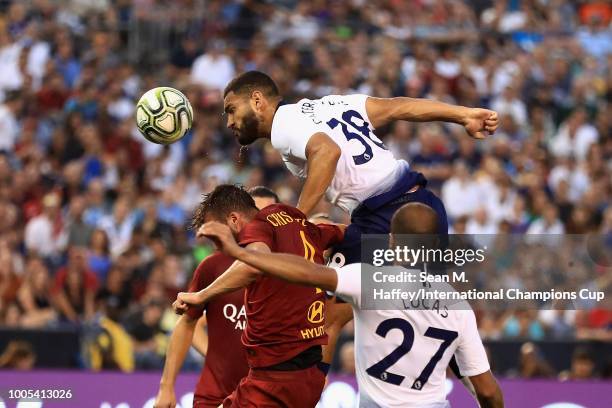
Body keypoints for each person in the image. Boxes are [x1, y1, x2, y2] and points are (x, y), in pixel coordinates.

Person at [190, 202, 504, 408]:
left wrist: (244, 253)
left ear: (391, 240)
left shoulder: (367, 281)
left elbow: (307, 272)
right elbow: (487, 391)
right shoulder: (458, 304)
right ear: (435, 244)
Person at [173, 184, 344, 408]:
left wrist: (202, 296)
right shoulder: (294, 223)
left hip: (272, 381)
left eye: (218, 236)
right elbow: (342, 231)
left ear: (234, 219)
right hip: (304, 376)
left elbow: (253, 265)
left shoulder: (257, 228)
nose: (218, 246)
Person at [156, 186, 279, 408]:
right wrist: (166, 387)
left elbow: (328, 317)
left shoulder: (290, 266)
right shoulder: (212, 266)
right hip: (215, 396)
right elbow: (187, 324)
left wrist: (322, 363)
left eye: (264, 214)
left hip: (268, 397)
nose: (258, 222)